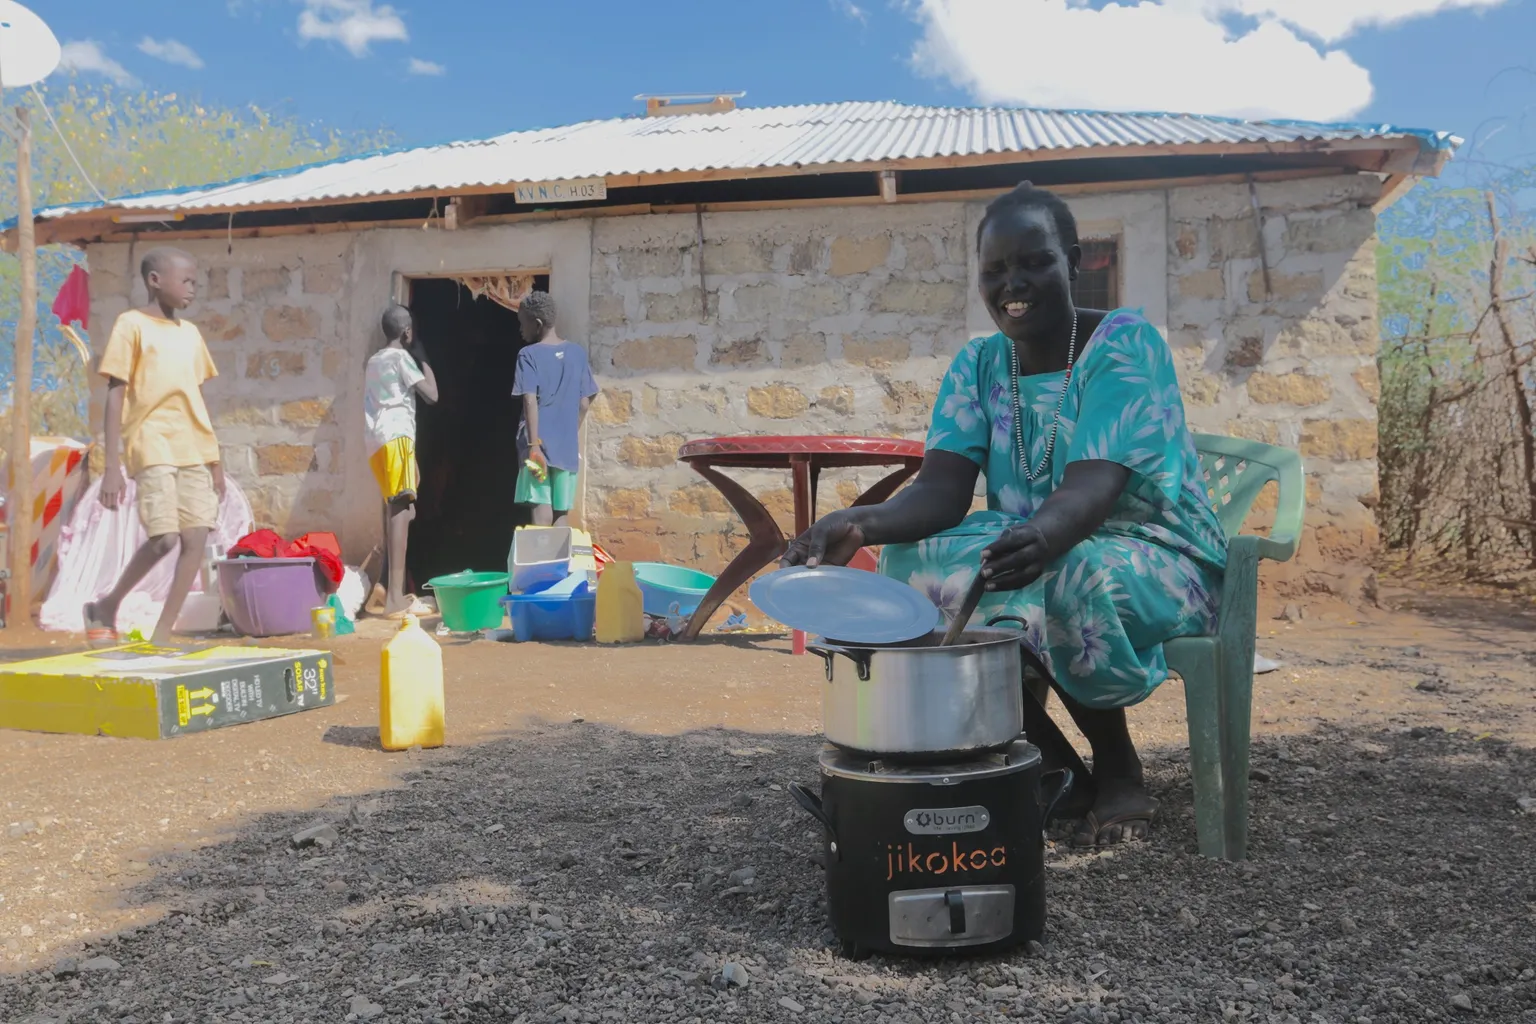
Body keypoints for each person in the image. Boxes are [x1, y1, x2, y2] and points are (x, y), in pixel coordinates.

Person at [783, 182, 1229, 848]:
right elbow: (942, 491)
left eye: (1033, 263)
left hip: (1154, 554)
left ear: (1073, 262)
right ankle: (1047, 756)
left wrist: (1046, 535)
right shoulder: (979, 363)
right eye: (994, 270)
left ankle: (1117, 764)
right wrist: (862, 523)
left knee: (1058, 569)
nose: (1011, 284)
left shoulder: (1125, 344)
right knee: (915, 564)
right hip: (1032, 546)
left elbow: (1093, 487)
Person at [84, 248, 226, 647]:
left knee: (196, 539)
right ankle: (107, 605)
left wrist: (216, 460)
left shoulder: (191, 334)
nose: (192, 289)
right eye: (186, 281)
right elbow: (115, 394)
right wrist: (112, 465)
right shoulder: (131, 326)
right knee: (164, 538)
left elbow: (196, 397)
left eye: (195, 282)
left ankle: (163, 633)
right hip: (151, 441)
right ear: (155, 280)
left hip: (194, 446)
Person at [365, 304, 438, 618]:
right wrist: (424, 358)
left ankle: (384, 588)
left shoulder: (374, 361)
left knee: (402, 509)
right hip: (397, 438)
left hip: (379, 442)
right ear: (407, 332)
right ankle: (395, 598)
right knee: (400, 512)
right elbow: (432, 395)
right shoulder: (402, 359)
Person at [512, 292, 598, 527]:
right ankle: (560, 564)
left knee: (541, 507)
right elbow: (584, 401)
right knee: (561, 512)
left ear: (537, 324)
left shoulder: (528, 355)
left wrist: (534, 445)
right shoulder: (577, 354)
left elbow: (529, 400)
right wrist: (570, 430)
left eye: (523, 324)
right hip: (566, 446)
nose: (521, 330)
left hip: (538, 445)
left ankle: (543, 563)